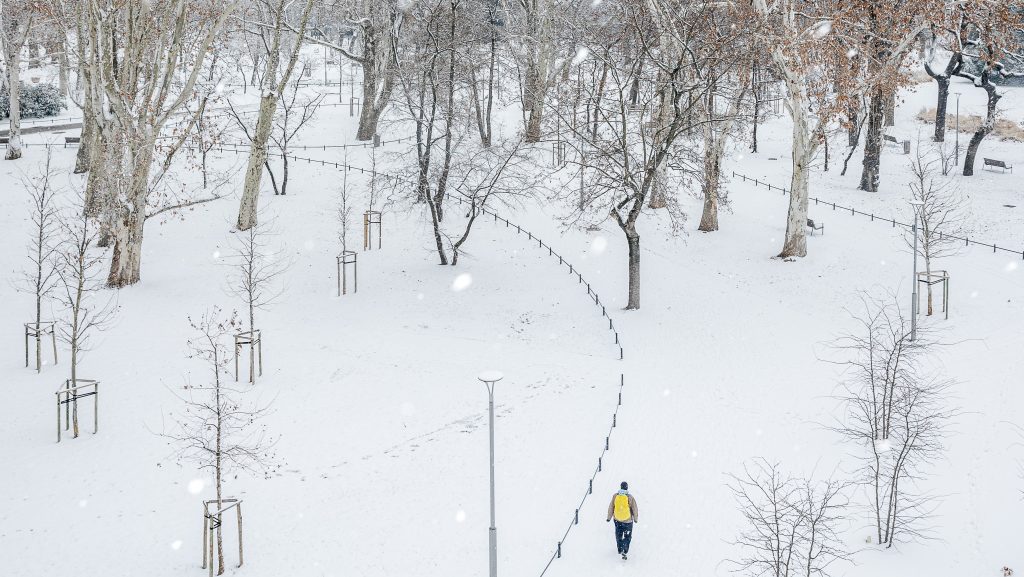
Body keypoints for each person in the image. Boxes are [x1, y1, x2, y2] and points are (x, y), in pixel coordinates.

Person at [606, 481, 638, 560]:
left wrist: (609, 517)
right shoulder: (630, 497)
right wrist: (636, 519)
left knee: (618, 534)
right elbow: (635, 509)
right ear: (627, 487)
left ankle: (620, 549)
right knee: (628, 536)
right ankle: (625, 549)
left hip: (617, 520)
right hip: (628, 521)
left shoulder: (615, 496)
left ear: (620, 487)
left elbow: (611, 507)